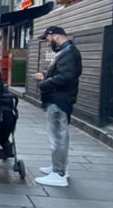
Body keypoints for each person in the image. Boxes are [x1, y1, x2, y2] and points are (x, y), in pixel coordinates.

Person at [32, 26, 82, 187]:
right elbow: (63, 74)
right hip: (59, 98)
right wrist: (46, 75)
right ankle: (58, 167)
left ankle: (58, 173)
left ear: (55, 36)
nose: (48, 43)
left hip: (60, 99)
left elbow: (66, 77)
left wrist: (44, 83)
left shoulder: (69, 53)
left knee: (58, 136)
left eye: (47, 39)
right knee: (58, 135)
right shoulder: (67, 51)